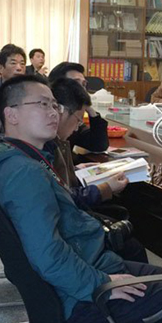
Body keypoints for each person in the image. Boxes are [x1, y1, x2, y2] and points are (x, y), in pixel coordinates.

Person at [0, 75, 162, 323]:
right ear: (11, 114)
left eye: (54, 105)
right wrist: (100, 283)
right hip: (80, 297)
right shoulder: (23, 173)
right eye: (42, 104)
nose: (53, 112)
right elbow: (47, 254)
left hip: (87, 266)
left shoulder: (17, 157)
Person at [50, 77, 148, 263]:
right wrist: (106, 188)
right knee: (133, 247)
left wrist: (74, 169)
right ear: (59, 109)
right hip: (71, 224)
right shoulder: (48, 144)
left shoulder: (57, 139)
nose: (78, 127)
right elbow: (65, 197)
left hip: (72, 215)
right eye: (78, 120)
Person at [49, 62, 109, 153]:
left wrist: (90, 110)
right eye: (76, 83)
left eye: (84, 85)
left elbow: (99, 145)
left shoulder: (74, 118)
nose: (82, 90)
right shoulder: (45, 120)